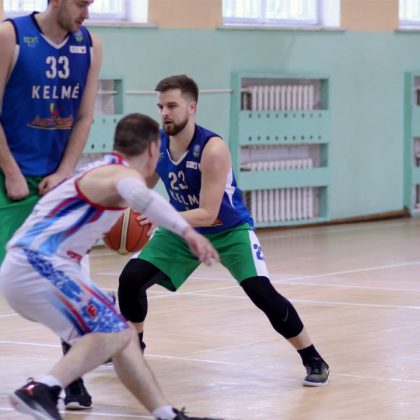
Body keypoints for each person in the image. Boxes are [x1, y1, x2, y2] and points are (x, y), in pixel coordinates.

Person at [0, 113, 220, 420]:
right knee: (114, 333)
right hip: (37, 265)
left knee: (122, 335)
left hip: (32, 267)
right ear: (153, 150)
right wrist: (188, 232)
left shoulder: (101, 169)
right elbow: (140, 195)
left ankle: (166, 414)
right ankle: (42, 390)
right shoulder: (121, 175)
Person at [118, 75, 330, 387]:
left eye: (172, 106)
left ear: (192, 107)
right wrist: (117, 208)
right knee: (131, 278)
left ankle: (313, 357)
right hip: (182, 228)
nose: (164, 113)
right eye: (161, 106)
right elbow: (142, 187)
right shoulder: (158, 145)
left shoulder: (212, 148)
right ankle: (134, 348)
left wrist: (161, 218)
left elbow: (208, 213)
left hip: (229, 230)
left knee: (261, 292)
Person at [0, 0, 104, 408]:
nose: (86, 13)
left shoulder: (90, 44)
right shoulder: (11, 34)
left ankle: (72, 381)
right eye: (81, 3)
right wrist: (10, 171)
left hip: (55, 181)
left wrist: (65, 172)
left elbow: (84, 116)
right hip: (9, 176)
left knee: (69, 276)